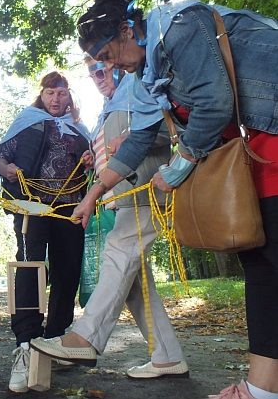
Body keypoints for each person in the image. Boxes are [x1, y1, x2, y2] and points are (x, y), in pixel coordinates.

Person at [65, 0, 277, 399]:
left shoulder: (181, 26)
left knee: (269, 262)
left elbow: (215, 103)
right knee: (262, 264)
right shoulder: (147, 71)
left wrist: (178, 168)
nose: (109, 67)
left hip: (270, 137)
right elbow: (141, 137)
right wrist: (91, 195)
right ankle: (262, 388)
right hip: (254, 151)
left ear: (126, 30)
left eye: (107, 56)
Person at [31, 56, 189, 380]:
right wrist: (95, 156)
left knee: (117, 256)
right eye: (91, 70)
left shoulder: (137, 87)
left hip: (145, 192)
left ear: (117, 63)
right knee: (134, 283)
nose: (98, 74)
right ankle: (168, 356)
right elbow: (114, 149)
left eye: (102, 66)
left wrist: (131, 136)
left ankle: (85, 337)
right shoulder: (108, 105)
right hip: (121, 199)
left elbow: (168, 128)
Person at [0, 71, 90, 393]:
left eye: (61, 92)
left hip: (70, 207)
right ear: (42, 95)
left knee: (68, 271)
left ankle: (55, 340)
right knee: (31, 268)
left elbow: (95, 166)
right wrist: (8, 169)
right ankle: (25, 342)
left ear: (69, 96)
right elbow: (0, 156)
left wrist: (89, 159)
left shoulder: (80, 130)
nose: (56, 98)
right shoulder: (28, 121)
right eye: (50, 92)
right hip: (33, 205)